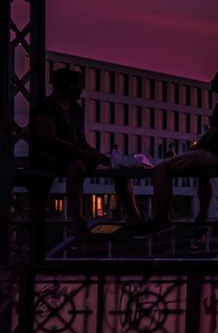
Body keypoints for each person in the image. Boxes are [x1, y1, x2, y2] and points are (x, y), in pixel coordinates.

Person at [140, 65, 218, 237]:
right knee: (203, 174)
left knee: (161, 168)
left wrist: (190, 151)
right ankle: (202, 218)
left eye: (217, 78)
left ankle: (161, 218)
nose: (212, 81)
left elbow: (212, 134)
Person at [29, 67, 141, 236]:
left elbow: (81, 141)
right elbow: (49, 140)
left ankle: (134, 215)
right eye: (80, 86)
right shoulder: (46, 107)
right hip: (50, 156)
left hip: (73, 154)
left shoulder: (75, 108)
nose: (82, 90)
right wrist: (82, 153)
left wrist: (96, 154)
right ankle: (77, 220)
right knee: (77, 167)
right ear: (69, 86)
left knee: (118, 168)